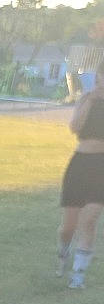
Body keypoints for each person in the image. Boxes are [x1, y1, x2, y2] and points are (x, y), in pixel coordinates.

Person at [58, 78, 104, 291]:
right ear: (98, 78)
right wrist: (88, 102)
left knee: (90, 219)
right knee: (69, 227)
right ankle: (63, 253)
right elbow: (74, 128)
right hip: (80, 163)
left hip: (101, 166)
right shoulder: (87, 98)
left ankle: (78, 276)